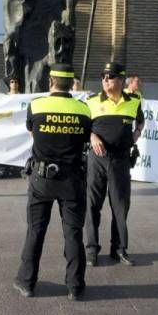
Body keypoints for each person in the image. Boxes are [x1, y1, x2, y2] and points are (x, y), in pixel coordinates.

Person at [13, 63, 92, 301]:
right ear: (71, 84)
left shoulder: (36, 105)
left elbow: (32, 130)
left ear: (50, 82)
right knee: (73, 233)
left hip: (42, 178)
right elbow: (86, 137)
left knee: (35, 231)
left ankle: (27, 282)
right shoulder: (84, 109)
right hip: (73, 179)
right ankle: (75, 286)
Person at [85, 62, 145, 268]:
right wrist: (92, 136)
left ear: (121, 80)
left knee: (120, 206)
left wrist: (136, 134)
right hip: (97, 160)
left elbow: (141, 121)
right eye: (103, 76)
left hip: (120, 160)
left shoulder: (134, 100)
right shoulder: (92, 101)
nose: (105, 80)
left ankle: (118, 249)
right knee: (92, 205)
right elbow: (83, 128)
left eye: (109, 76)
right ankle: (92, 250)